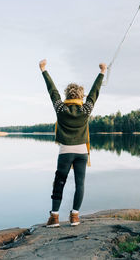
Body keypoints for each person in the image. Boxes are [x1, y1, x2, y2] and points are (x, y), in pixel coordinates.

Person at [39, 59, 107, 227]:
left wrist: (44, 70)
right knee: (80, 184)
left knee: (59, 182)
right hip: (82, 151)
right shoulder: (85, 110)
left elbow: (52, 91)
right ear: (80, 96)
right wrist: (102, 72)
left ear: (67, 95)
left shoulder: (61, 108)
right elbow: (94, 93)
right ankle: (75, 216)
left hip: (65, 151)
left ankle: (54, 217)